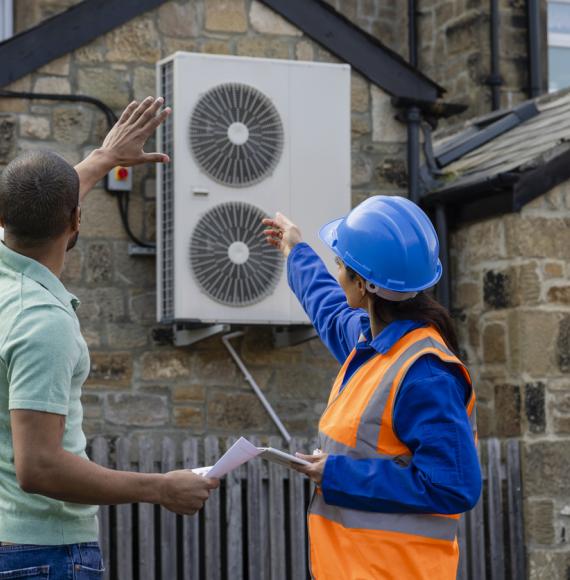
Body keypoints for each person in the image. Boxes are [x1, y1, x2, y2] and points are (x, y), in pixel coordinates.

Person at [0, 97, 218, 578]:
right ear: (76, 221)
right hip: (41, 556)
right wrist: (160, 488)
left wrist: (104, 158)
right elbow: (38, 467)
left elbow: (38, 202)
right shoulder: (40, 320)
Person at [262, 196, 481, 580]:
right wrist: (295, 251)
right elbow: (329, 310)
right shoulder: (373, 343)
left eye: (341, 265)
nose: (338, 269)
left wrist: (336, 474)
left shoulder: (426, 374)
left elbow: (454, 486)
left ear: (364, 285)